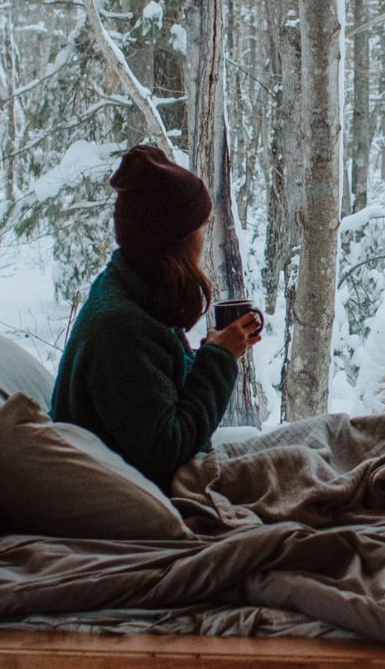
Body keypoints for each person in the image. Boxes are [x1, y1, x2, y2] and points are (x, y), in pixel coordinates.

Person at [50, 145, 264, 489]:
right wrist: (220, 360)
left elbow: (152, 393)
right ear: (174, 240)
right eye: (199, 227)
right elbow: (167, 447)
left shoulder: (128, 290)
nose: (202, 237)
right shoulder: (123, 329)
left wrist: (209, 353)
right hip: (129, 492)